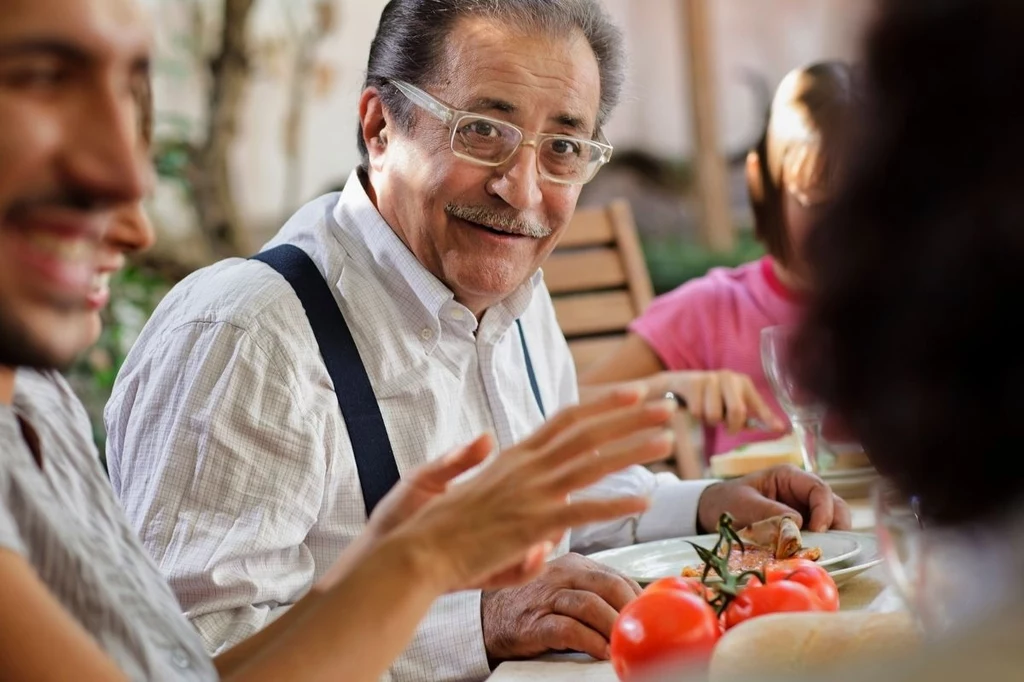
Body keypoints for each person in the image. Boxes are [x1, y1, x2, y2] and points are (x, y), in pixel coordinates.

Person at [105, 1, 851, 679]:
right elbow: (187, 661)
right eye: (484, 132)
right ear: (379, 127)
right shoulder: (248, 336)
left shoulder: (513, 294)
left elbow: (557, 498)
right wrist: (482, 621)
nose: (522, 192)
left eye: (563, 147)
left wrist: (707, 503)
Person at [581, 61, 858, 465]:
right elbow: (560, 416)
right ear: (763, 184)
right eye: (816, 198)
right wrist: (672, 388)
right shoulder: (712, 310)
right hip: (762, 523)